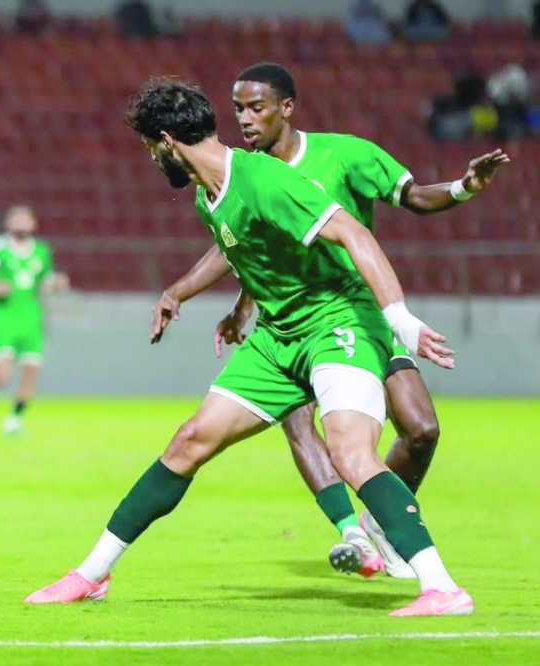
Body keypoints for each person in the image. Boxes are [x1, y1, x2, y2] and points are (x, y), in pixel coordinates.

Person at [25, 77, 473, 617]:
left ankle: (441, 587)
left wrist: (399, 320)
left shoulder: (263, 179)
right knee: (189, 441)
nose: (149, 159)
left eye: (148, 147)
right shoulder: (206, 196)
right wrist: (217, 304)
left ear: (167, 140)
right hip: (277, 337)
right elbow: (247, 256)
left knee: (351, 453)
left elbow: (355, 234)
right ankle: (90, 575)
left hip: (337, 323)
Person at [224, 62, 509, 578]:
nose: (243, 119)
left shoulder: (346, 154)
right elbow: (243, 250)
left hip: (356, 316)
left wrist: (464, 187)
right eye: (237, 108)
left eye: (255, 107)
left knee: (421, 429)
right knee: (298, 423)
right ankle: (351, 532)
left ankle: (377, 522)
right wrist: (239, 308)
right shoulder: (244, 174)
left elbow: (416, 197)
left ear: (287, 108)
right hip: (288, 326)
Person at [0, 205, 69, 435]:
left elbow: (44, 280)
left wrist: (57, 283)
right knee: (1, 377)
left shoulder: (41, 250)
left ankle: (14, 420)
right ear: (8, 223)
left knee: (31, 371)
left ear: (34, 223)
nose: (21, 222)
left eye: (26, 218)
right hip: (3, 318)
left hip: (32, 317)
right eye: (16, 218)